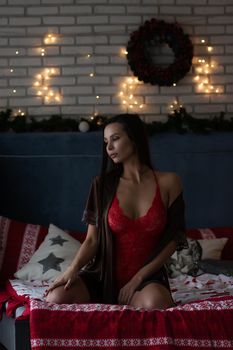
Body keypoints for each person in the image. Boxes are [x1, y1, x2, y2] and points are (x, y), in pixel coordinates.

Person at [45, 114, 188, 310]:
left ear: (134, 138)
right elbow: (92, 240)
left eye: (115, 139)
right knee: (56, 298)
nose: (109, 148)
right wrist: (72, 270)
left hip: (145, 281)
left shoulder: (169, 182)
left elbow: (175, 238)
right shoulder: (102, 185)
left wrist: (138, 278)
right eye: (105, 142)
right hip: (101, 277)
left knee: (157, 303)